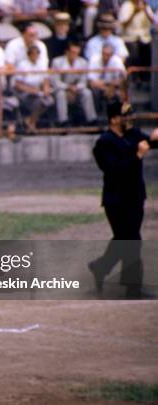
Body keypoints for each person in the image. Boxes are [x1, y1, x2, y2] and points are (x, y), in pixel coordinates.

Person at [89, 102, 158, 299]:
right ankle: (132, 288)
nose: (129, 118)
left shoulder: (133, 134)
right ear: (114, 119)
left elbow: (150, 142)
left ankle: (100, 267)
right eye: (125, 115)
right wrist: (137, 156)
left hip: (135, 196)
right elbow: (113, 171)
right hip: (116, 200)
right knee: (131, 240)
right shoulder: (104, 143)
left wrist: (154, 137)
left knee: (125, 239)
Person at [51, 41, 97, 126]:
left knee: (87, 93)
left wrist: (76, 88)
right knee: (61, 94)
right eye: (73, 52)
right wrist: (68, 87)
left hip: (77, 89)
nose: (75, 55)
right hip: (62, 89)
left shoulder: (83, 62)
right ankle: (63, 121)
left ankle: (91, 120)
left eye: (77, 53)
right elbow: (55, 82)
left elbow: (84, 81)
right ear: (67, 52)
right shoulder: (56, 61)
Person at [13, 45, 53, 133]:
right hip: (24, 92)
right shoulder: (22, 65)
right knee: (39, 102)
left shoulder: (41, 64)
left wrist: (46, 89)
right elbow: (18, 85)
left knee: (49, 100)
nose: (35, 56)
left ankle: (30, 121)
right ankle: (32, 123)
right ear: (29, 55)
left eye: (37, 54)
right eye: (33, 54)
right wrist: (30, 90)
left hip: (38, 91)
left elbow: (46, 80)